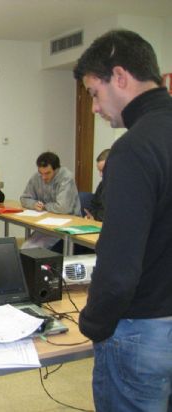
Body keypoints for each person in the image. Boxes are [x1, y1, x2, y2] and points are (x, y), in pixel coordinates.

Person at [74, 29, 172, 411]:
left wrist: (93, 324)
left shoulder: (132, 149)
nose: (95, 108)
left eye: (95, 94)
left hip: (141, 330)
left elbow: (118, 268)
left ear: (120, 77)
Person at [84, 148, 110, 221]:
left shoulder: (123, 187)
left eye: (103, 171)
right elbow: (93, 205)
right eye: (99, 171)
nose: (100, 175)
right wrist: (90, 216)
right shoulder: (102, 184)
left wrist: (95, 218)